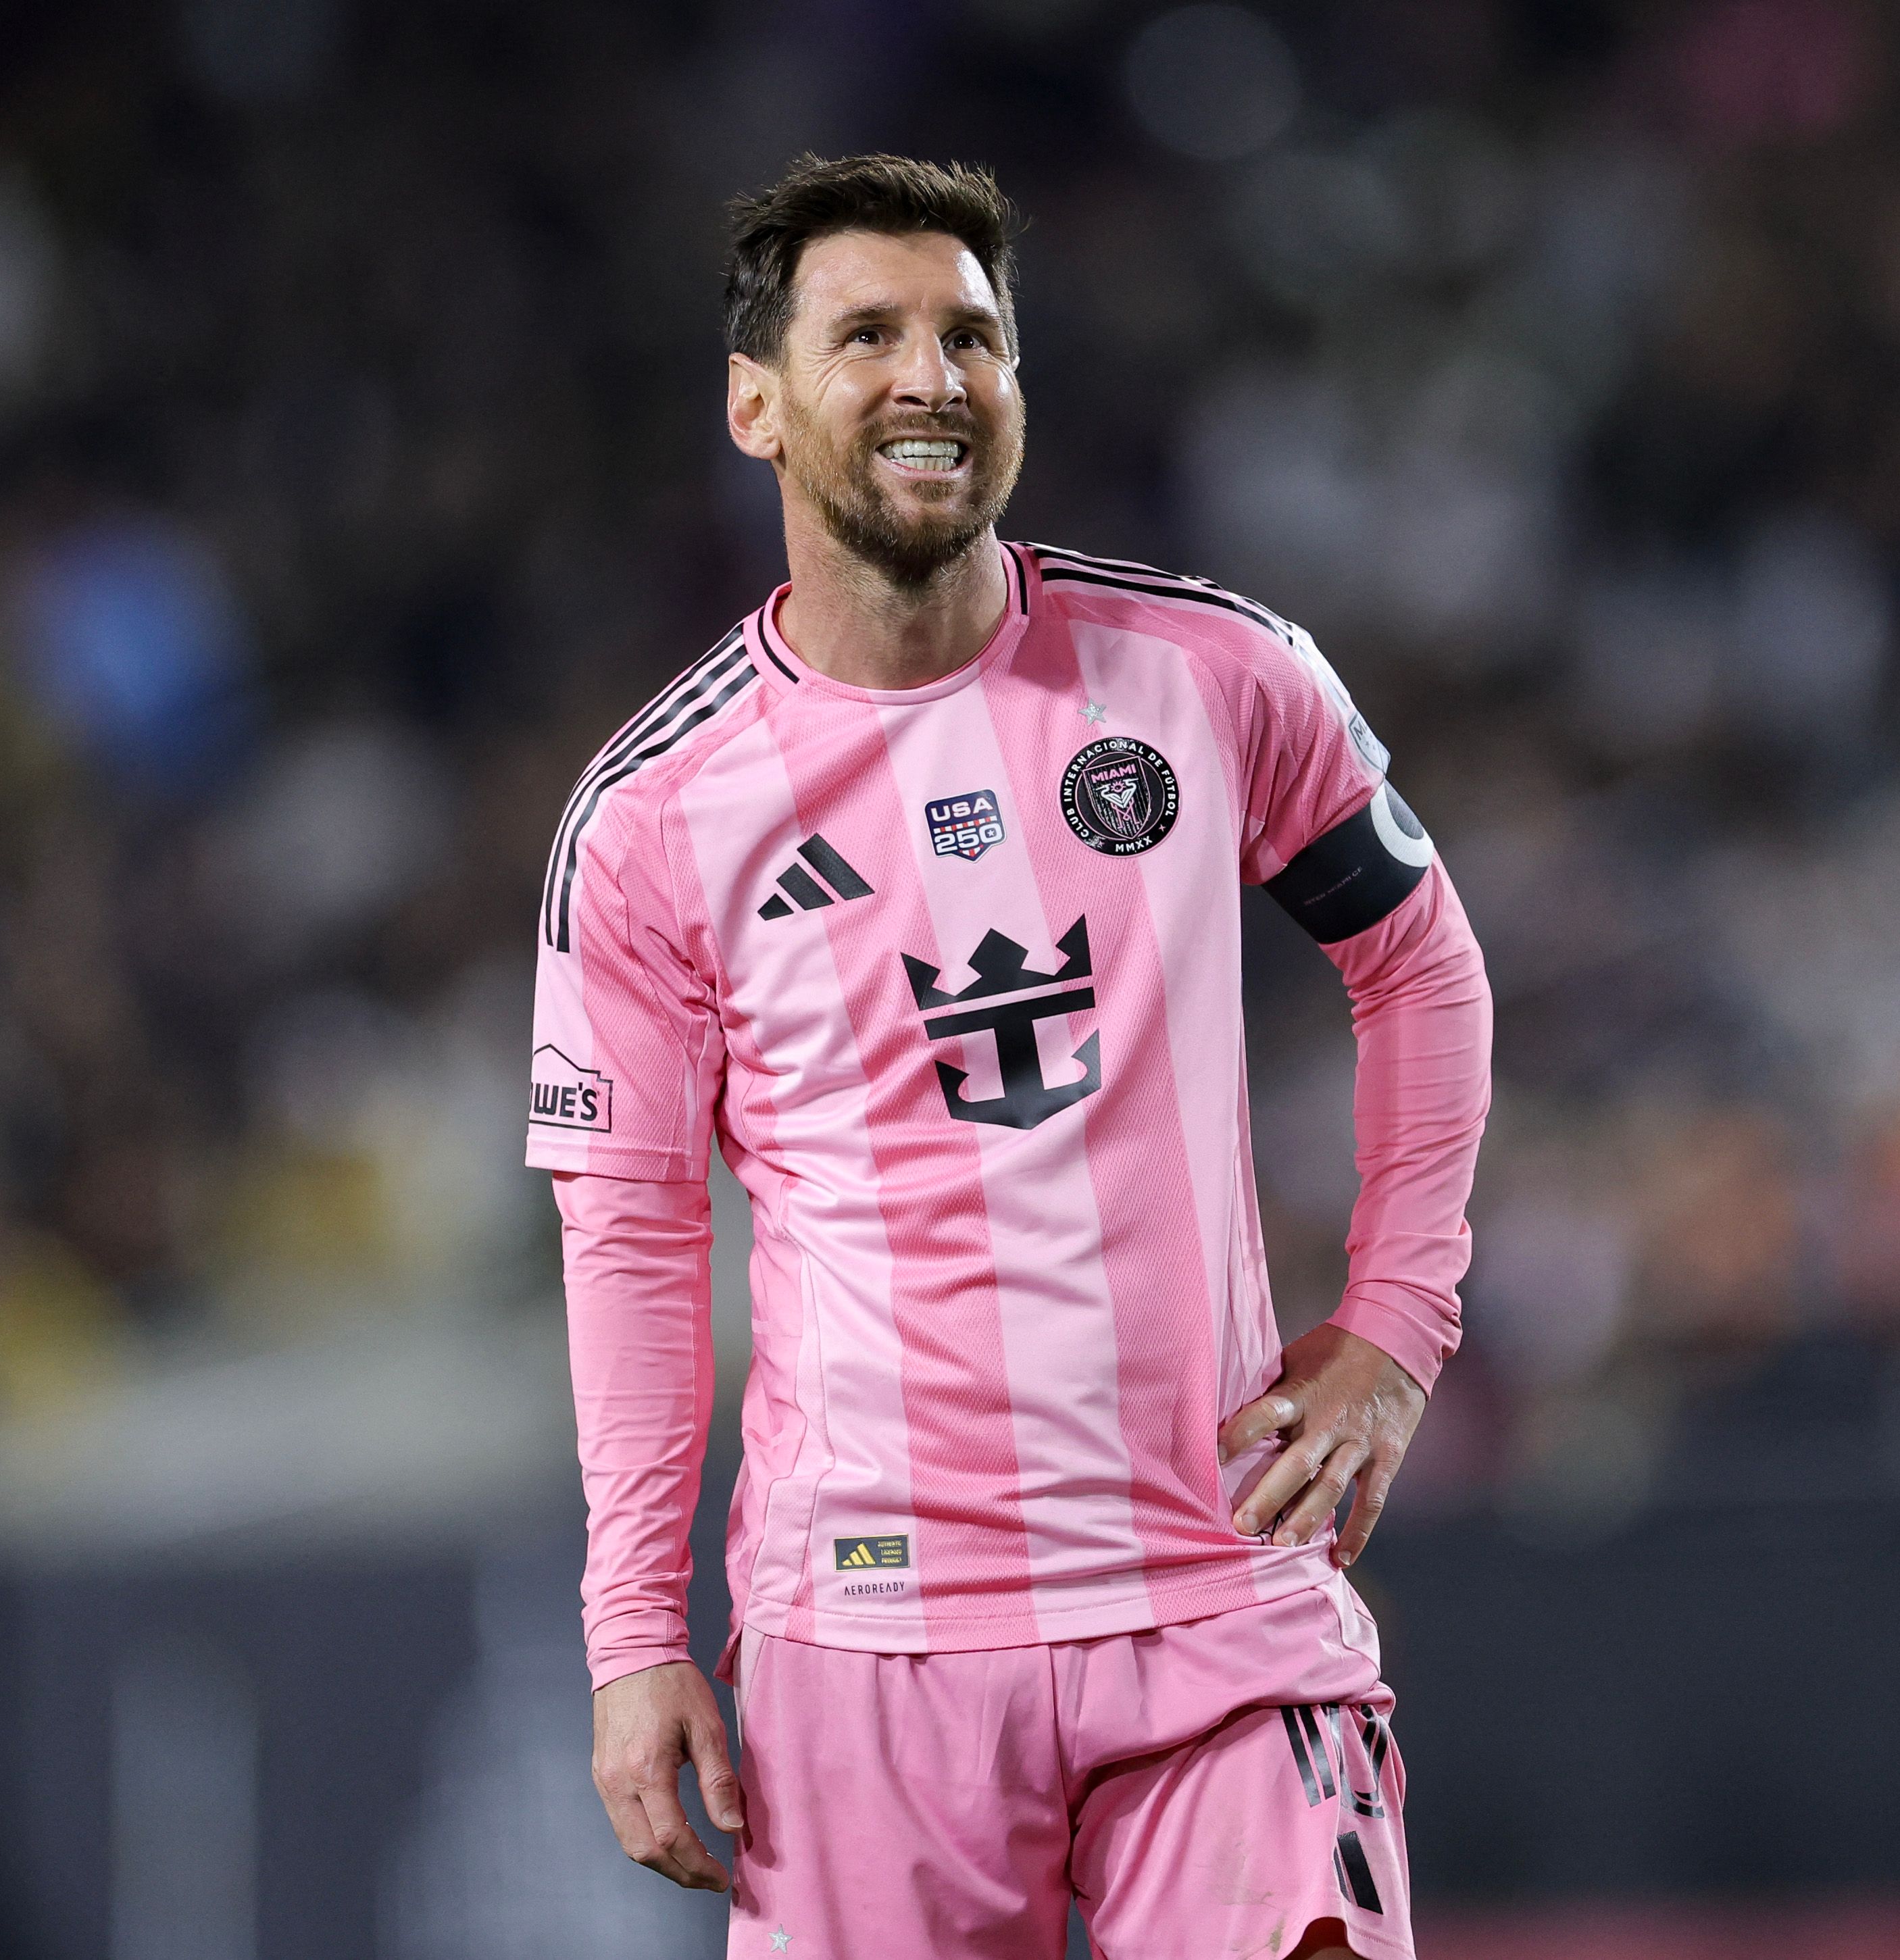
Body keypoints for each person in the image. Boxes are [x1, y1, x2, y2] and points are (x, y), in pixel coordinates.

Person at [526, 153, 1492, 1960]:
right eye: (868, 334)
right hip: (871, 1641)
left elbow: (1421, 966)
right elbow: (637, 1240)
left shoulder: (1214, 677)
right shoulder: (655, 817)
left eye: (973, 336)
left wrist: (1396, 1329)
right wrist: (632, 1633)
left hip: (1218, 1584)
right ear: (757, 404)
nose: (930, 377)